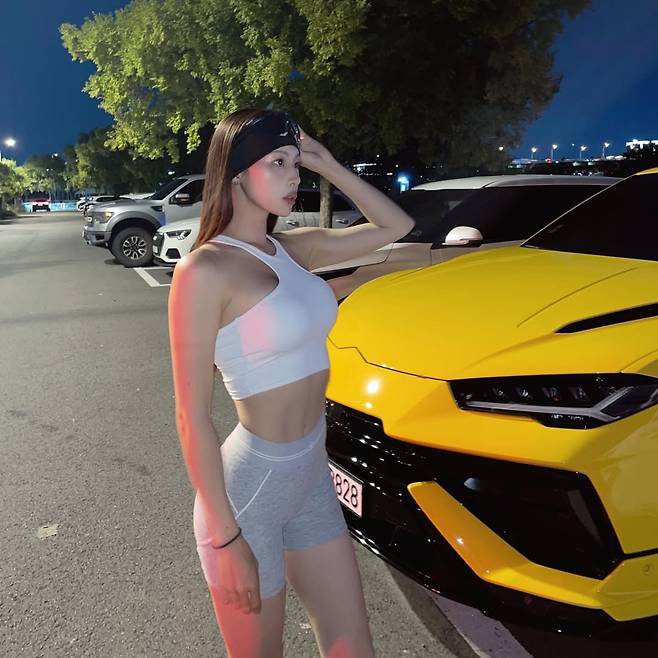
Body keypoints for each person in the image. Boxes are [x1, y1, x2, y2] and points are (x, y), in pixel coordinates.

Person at [167, 108, 415, 658]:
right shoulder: (204, 270)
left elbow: (395, 227)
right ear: (237, 174)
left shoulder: (294, 250)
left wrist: (327, 163)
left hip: (310, 474)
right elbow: (190, 415)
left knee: (353, 646)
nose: (293, 176)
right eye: (276, 163)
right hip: (248, 494)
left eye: (295, 164)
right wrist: (225, 537)